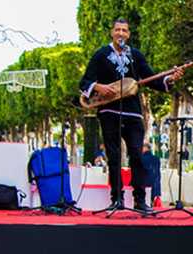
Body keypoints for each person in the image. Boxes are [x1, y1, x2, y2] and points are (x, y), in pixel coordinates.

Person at [79, 19, 184, 212]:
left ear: (128, 35)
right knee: (114, 156)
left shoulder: (135, 55)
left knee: (137, 155)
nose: (121, 33)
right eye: (117, 30)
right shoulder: (101, 55)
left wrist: (169, 79)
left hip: (133, 112)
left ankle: (139, 200)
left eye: (124, 31)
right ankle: (117, 199)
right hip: (109, 111)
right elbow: (84, 81)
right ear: (112, 33)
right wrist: (99, 87)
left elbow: (150, 78)